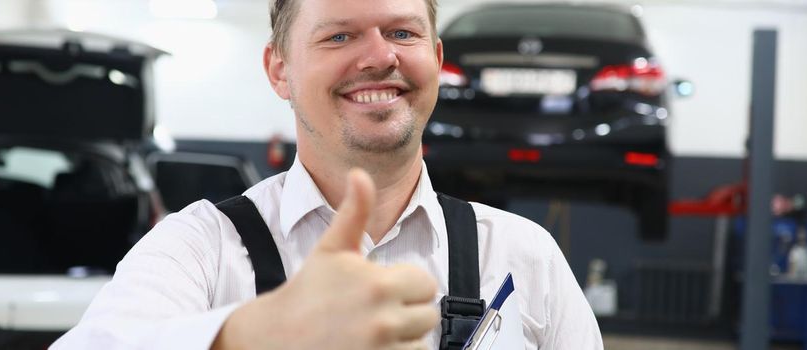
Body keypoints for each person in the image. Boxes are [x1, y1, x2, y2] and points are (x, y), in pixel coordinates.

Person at [52, 0, 604, 348]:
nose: (378, 57)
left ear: (436, 58)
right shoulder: (199, 248)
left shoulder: (524, 254)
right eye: (339, 36)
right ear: (279, 70)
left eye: (403, 33)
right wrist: (244, 337)